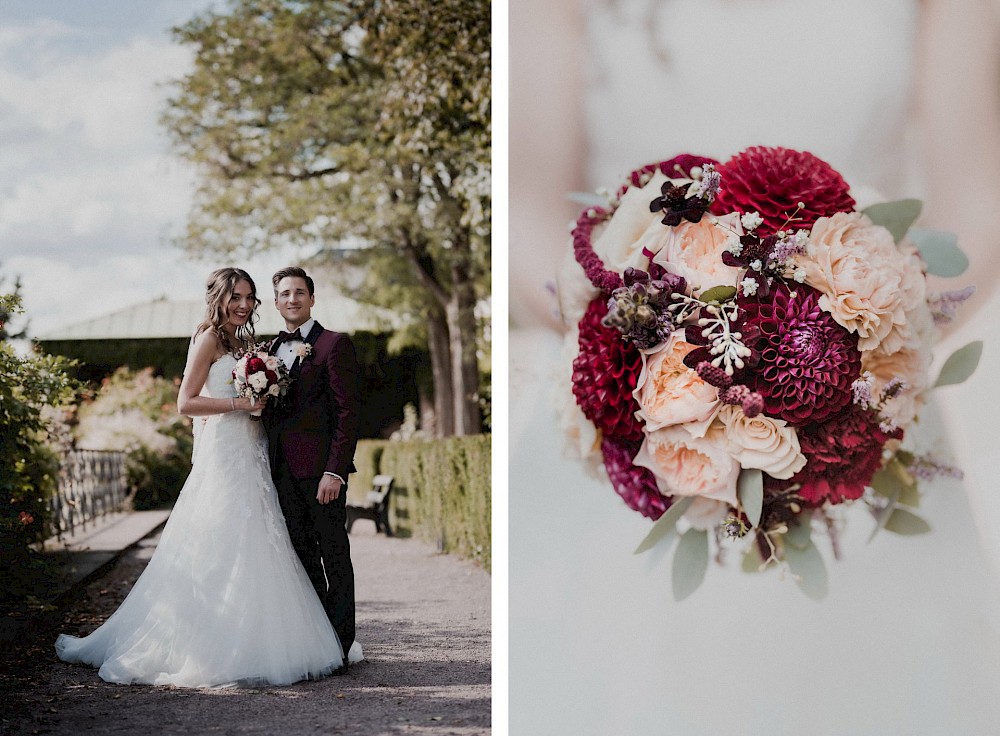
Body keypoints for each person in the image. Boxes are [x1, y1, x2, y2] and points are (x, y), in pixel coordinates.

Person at [509, 1, 1000, 733]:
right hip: (635, 408)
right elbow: (524, 211)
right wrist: (643, 331)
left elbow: (976, 203)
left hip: (867, 404)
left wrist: (854, 336)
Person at [56, 267, 354, 687]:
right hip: (226, 455)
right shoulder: (208, 338)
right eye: (236, 296)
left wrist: (260, 402)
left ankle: (283, 638)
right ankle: (214, 643)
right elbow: (185, 402)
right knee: (220, 542)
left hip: (255, 454)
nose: (243, 304)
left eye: (249, 297)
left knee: (264, 545)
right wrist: (240, 404)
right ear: (218, 297)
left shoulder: (251, 343)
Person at [262, 266, 361, 675]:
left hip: (322, 476)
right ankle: (316, 641)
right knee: (301, 558)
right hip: (280, 474)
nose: (292, 299)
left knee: (333, 554)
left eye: (299, 292)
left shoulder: (334, 345)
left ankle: (340, 643)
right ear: (276, 302)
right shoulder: (268, 349)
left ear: (312, 298)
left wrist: (334, 472)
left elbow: (348, 412)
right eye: (285, 294)